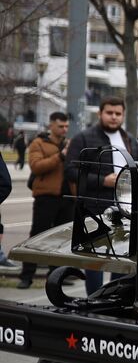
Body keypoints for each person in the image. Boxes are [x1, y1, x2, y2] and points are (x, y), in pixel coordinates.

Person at [66, 97, 138, 294]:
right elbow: (71, 171)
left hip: (125, 210)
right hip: (93, 209)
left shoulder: (130, 140)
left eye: (118, 113)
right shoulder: (83, 138)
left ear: (123, 115)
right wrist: (103, 180)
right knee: (95, 260)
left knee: (122, 259)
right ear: (100, 113)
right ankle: (93, 300)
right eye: (109, 113)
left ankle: (114, 298)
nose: (114, 117)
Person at [18, 112, 72, 289]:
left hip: (67, 197)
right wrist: (61, 155)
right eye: (61, 126)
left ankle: (57, 276)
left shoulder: (69, 143)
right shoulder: (38, 143)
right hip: (46, 197)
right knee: (37, 237)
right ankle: (26, 276)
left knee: (62, 239)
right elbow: (36, 166)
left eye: (66, 126)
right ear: (51, 126)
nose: (64, 129)